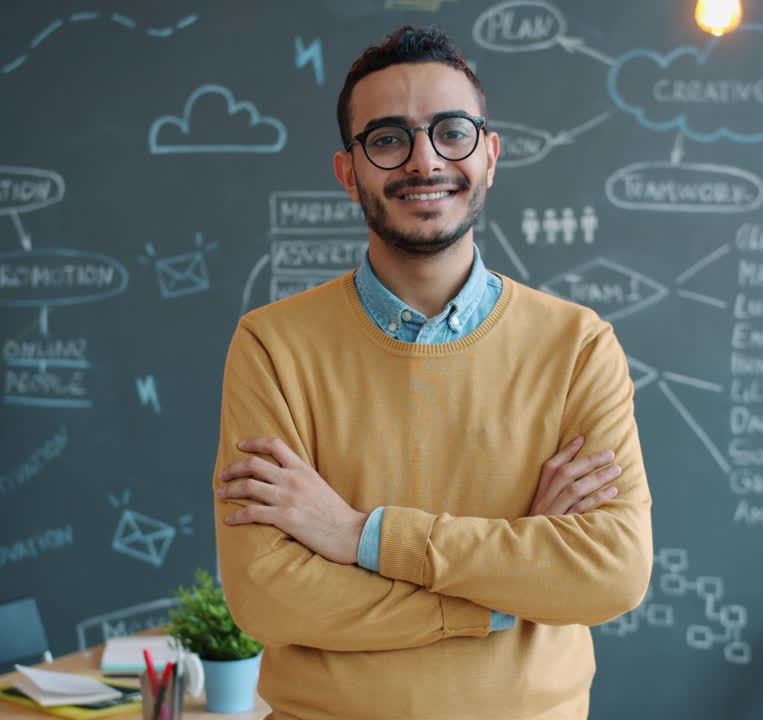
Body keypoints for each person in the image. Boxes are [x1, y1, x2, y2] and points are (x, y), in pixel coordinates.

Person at [212, 25, 652, 720]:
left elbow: (611, 574)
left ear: (490, 154)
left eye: (452, 132)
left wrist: (361, 535)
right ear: (348, 171)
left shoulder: (578, 347)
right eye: (388, 138)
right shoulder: (272, 346)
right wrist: (503, 598)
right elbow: (268, 595)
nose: (424, 161)